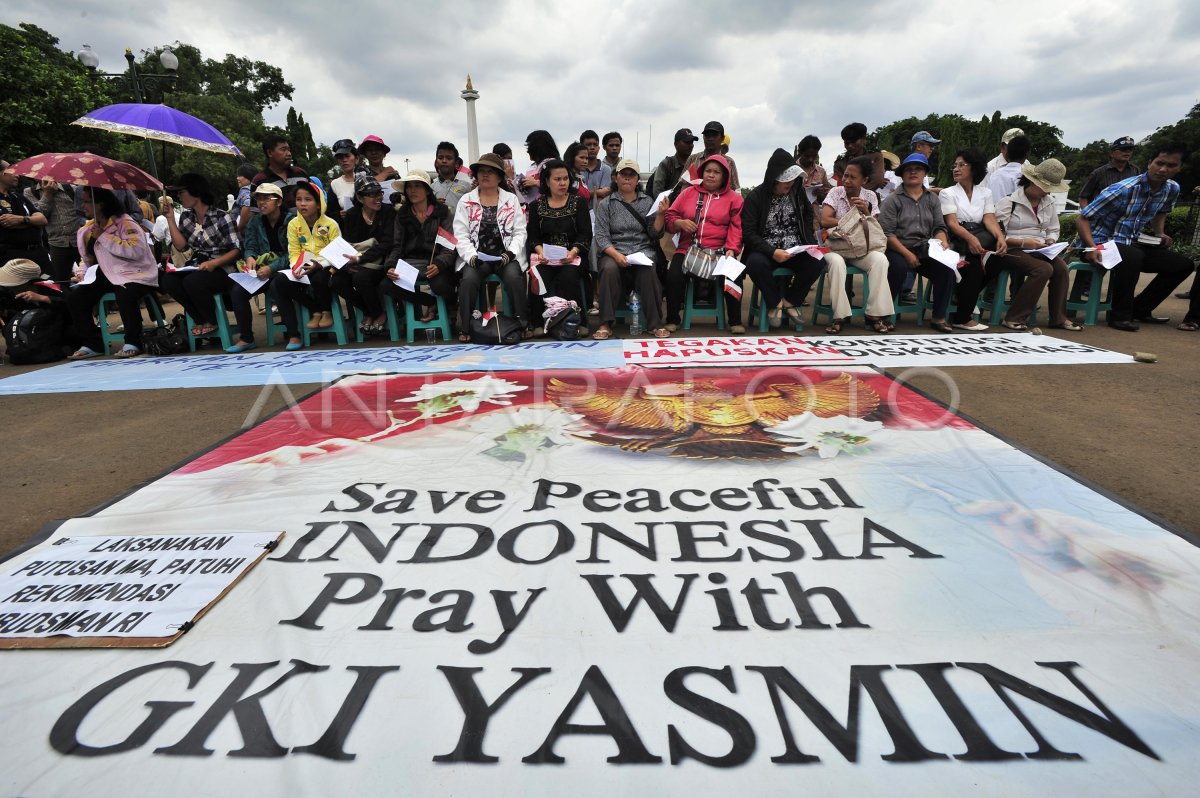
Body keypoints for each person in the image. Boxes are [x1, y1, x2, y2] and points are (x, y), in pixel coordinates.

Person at [1076, 141, 1198, 332]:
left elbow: (1161, 211)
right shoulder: (1123, 189)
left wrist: (1159, 233)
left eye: (1171, 165)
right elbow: (1082, 219)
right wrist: (1091, 247)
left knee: (1182, 265)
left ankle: (1139, 309)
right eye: (1159, 163)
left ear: (1180, 167)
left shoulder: (1171, 189)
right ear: (1150, 162)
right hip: (1098, 243)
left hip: (1131, 244)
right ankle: (1119, 316)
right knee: (1133, 256)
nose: (1163, 169)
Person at [65, 187, 160, 358]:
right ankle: (92, 343)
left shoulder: (126, 223)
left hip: (135, 274)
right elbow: (88, 259)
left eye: (87, 201)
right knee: (75, 298)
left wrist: (104, 236)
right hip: (106, 274)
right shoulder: (88, 228)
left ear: (100, 204)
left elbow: (135, 251)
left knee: (124, 292)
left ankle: (134, 341)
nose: (82, 205)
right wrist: (82, 272)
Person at [740, 148, 825, 333]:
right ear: (774, 178)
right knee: (755, 263)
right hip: (766, 249)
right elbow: (748, 233)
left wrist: (808, 243)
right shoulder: (756, 197)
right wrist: (772, 252)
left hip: (794, 248)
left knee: (818, 260)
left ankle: (791, 301)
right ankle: (774, 303)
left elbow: (808, 214)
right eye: (786, 179)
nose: (790, 183)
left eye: (793, 179)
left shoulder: (797, 191)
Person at [993, 160, 1083, 332]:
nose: (1047, 191)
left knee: (1062, 268)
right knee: (1043, 269)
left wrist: (1050, 240)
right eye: (1045, 186)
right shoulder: (1008, 202)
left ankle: (1059, 318)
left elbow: (1053, 228)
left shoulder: (1048, 202)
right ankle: (1014, 317)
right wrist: (1024, 242)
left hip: (1040, 249)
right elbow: (997, 235)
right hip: (1011, 249)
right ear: (1032, 182)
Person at [662, 154, 743, 330]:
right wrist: (679, 223)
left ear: (725, 176)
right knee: (673, 275)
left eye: (716, 172)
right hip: (688, 248)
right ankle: (673, 319)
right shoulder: (687, 193)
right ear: (702, 172)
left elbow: (736, 227)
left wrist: (732, 249)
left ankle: (735, 321)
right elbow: (670, 216)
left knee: (735, 274)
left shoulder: (735, 199)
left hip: (720, 251)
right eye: (708, 171)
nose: (711, 175)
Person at [453, 152, 529, 340]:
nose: (485, 175)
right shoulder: (466, 200)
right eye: (481, 171)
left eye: (490, 171)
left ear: (500, 176)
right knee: (468, 281)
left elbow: (520, 232)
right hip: (477, 257)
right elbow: (460, 234)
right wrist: (471, 256)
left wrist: (511, 254)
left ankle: (523, 324)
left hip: (505, 256)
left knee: (513, 278)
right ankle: (466, 328)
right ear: (476, 175)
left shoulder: (511, 200)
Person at [879, 153, 956, 332]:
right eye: (909, 169)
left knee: (946, 268)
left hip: (924, 247)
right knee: (897, 267)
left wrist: (942, 240)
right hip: (897, 247)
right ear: (902, 174)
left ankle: (938, 317)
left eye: (918, 169)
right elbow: (887, 234)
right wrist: (907, 254)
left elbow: (939, 226)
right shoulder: (892, 200)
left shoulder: (932, 199)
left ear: (925, 174)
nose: (913, 172)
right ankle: (883, 315)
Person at [591, 158, 667, 340]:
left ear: (637, 179)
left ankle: (655, 323)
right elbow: (601, 236)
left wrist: (661, 215)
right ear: (616, 178)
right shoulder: (606, 203)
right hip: (614, 250)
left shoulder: (647, 201)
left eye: (631, 175)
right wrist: (616, 255)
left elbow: (654, 234)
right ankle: (606, 323)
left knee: (648, 269)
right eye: (623, 175)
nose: (627, 179)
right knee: (608, 269)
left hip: (642, 251)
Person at [818, 155, 894, 333]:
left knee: (880, 260)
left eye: (853, 177)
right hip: (836, 247)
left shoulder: (870, 197)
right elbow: (824, 220)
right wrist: (849, 221)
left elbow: (873, 225)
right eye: (845, 175)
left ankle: (874, 314)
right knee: (836, 263)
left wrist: (865, 211)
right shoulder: (835, 193)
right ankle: (840, 315)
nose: (846, 180)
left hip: (860, 248)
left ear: (865, 180)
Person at [159, 173, 241, 336]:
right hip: (198, 265)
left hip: (224, 268)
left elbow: (237, 250)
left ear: (195, 192)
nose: (179, 196)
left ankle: (212, 320)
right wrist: (169, 219)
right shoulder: (186, 217)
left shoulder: (221, 217)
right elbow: (181, 247)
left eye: (182, 192)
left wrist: (214, 264)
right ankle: (200, 319)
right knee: (168, 280)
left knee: (192, 282)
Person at [382, 170, 457, 334]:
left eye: (417, 186)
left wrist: (439, 263)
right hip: (411, 263)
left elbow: (449, 246)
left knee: (441, 285)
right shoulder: (402, 214)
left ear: (427, 190)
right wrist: (391, 266)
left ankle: (452, 305)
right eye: (409, 187)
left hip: (435, 262)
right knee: (386, 284)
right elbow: (397, 245)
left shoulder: (442, 211)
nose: (412, 191)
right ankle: (430, 303)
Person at [271, 178, 340, 349]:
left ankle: (326, 311)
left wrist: (319, 264)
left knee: (319, 277)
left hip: (325, 267)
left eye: (308, 199)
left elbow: (337, 253)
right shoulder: (294, 224)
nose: (302, 204)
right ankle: (308, 317)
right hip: (304, 267)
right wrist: (296, 266)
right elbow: (293, 250)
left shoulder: (330, 224)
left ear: (318, 204)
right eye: (299, 200)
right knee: (279, 282)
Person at [224, 183, 294, 353]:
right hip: (262, 271)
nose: (261, 203)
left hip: (285, 269)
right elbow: (250, 246)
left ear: (278, 202)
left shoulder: (291, 221)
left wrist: (271, 267)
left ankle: (294, 334)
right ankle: (246, 338)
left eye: (266, 198)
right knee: (237, 291)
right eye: (258, 199)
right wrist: (249, 257)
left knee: (278, 285)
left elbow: (292, 253)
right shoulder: (255, 221)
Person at [939, 147, 1004, 331]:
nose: (956, 169)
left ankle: (964, 296)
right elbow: (951, 223)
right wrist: (970, 239)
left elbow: (989, 219)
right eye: (955, 165)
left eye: (962, 165)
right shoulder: (948, 192)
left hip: (979, 240)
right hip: (957, 242)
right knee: (974, 266)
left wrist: (1000, 237)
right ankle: (962, 317)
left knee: (1000, 260)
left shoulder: (985, 192)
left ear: (974, 168)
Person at [1072, 136, 1142, 301]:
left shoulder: (1136, 171)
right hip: (1099, 221)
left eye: (1130, 150)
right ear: (1112, 152)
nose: (1127, 153)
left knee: (1129, 256)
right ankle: (1085, 288)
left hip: (1124, 223)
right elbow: (1084, 196)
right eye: (1123, 149)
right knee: (1093, 250)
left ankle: (1119, 296)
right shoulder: (1099, 172)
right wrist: (1089, 215)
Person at [526, 158, 592, 321]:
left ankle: (575, 321)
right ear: (547, 182)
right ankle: (538, 322)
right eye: (557, 179)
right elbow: (533, 236)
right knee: (538, 275)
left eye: (565, 178)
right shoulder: (536, 206)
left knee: (568, 276)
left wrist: (573, 252)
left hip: (572, 256)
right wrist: (540, 253)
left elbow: (585, 234)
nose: (562, 183)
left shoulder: (578, 203)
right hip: (545, 258)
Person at [331, 175, 395, 337]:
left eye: (379, 193)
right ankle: (369, 312)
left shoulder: (389, 212)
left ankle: (378, 313)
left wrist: (360, 259)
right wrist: (349, 263)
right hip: (356, 261)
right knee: (337, 280)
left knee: (361, 278)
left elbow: (387, 244)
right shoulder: (352, 215)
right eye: (372, 194)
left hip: (381, 262)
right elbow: (348, 243)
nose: (378, 197)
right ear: (359, 197)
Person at [32, 177, 84, 285]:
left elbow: (84, 212)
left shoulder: (72, 188)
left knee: (89, 276)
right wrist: (47, 194)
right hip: (56, 244)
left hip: (80, 241)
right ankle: (63, 301)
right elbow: (38, 216)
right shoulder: (31, 192)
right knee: (59, 281)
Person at [0, 158, 49, 271]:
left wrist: (22, 220)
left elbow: (43, 220)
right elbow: (6, 224)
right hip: (11, 258)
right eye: (11, 170)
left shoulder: (18, 197)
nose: (17, 174)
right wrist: (33, 222)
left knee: (52, 285)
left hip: (37, 253)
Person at [250, 134, 309, 208]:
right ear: (270, 153)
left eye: (289, 150)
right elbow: (256, 212)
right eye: (283, 149)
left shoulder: (300, 173)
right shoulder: (259, 180)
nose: (289, 153)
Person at [685, 122, 740, 191]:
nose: (710, 139)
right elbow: (684, 184)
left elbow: (736, 189)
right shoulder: (693, 159)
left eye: (714, 135)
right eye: (707, 135)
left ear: (722, 138)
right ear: (703, 137)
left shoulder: (729, 162)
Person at [832, 123, 886, 191]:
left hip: (871, 200)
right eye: (847, 143)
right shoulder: (840, 163)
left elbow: (876, 182)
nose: (850, 146)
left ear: (864, 139)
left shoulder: (876, 156)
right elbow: (841, 186)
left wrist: (855, 189)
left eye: (853, 142)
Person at [648, 128, 697, 198]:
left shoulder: (695, 164)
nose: (690, 145)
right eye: (686, 142)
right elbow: (657, 192)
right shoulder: (666, 164)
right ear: (676, 144)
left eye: (691, 142)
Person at [517, 130, 560, 206]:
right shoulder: (531, 168)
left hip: (549, 210)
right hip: (531, 211)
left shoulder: (554, 165)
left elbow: (560, 186)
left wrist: (536, 183)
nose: (527, 151)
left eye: (529, 146)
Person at [982, 135, 1030, 203]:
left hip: (993, 212)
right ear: (1027, 155)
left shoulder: (994, 175)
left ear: (1007, 152)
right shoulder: (1026, 176)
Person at [432, 142, 471, 217]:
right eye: (440, 158)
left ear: (456, 163)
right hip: (439, 228)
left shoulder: (466, 186)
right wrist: (434, 204)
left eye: (449, 158)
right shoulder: (431, 188)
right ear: (436, 162)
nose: (444, 161)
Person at [794, 134, 830, 207]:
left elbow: (828, 199)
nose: (810, 159)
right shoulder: (792, 170)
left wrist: (821, 194)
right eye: (807, 156)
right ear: (800, 153)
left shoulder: (821, 171)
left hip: (815, 215)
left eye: (814, 156)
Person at [328, 138, 361, 218]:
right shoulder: (335, 184)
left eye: (347, 156)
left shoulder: (366, 179)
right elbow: (329, 213)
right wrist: (339, 215)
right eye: (340, 157)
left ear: (356, 159)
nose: (344, 160)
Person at [577, 130, 611, 203]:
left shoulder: (606, 169)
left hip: (598, 213)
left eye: (595, 145)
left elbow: (604, 194)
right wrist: (597, 192)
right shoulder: (576, 169)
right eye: (588, 144)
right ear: (581, 147)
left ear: (599, 148)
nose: (592, 147)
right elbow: (574, 195)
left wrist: (587, 193)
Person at [232, 163, 258, 234]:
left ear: (249, 177)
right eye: (238, 175)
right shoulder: (254, 189)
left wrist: (238, 230)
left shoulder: (246, 191)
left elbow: (247, 203)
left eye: (240, 175)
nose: (237, 178)